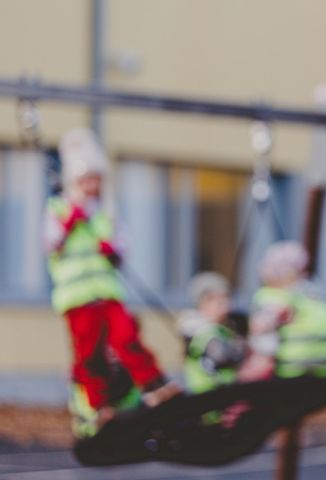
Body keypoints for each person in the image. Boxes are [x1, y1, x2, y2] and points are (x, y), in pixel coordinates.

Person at [45, 127, 181, 434]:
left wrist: (114, 250)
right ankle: (98, 407)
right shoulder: (58, 208)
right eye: (87, 180)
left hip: (107, 293)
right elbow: (49, 242)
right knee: (89, 353)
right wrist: (70, 221)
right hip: (77, 297)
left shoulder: (105, 213)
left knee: (126, 337)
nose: (93, 186)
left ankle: (154, 385)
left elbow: (122, 244)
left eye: (97, 179)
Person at [248, 241, 326, 381]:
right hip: (322, 371)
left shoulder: (274, 298)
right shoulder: (313, 295)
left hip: (288, 371)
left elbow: (261, 328)